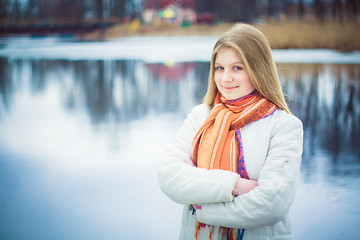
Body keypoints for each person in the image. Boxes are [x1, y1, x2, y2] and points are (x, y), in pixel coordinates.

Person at [158, 23, 303, 240]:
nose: (225, 78)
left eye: (237, 68)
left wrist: (202, 209)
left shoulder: (283, 125)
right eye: (219, 68)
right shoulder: (201, 116)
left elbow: (271, 203)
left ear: (258, 69)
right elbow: (168, 176)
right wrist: (234, 186)